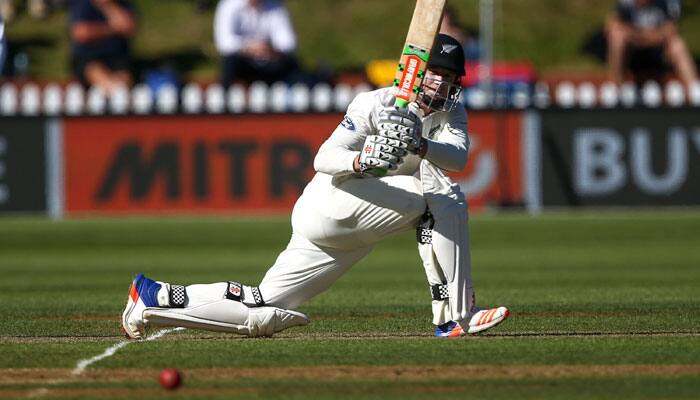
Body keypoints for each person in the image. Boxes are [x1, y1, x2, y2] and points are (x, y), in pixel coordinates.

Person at [121, 34, 509, 340]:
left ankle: (153, 298)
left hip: (354, 229)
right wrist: (362, 160)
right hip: (334, 202)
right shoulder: (376, 104)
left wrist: (418, 143)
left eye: (449, 77)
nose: (441, 83)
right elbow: (323, 158)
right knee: (440, 198)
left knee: (262, 310)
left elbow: (457, 158)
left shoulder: (452, 111)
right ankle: (454, 316)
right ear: (417, 71)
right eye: (435, 72)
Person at [606, 0, 698, 86]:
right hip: (633, 55)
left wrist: (637, 36)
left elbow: (671, 31)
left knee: (678, 45)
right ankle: (616, 88)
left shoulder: (666, 2)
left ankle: (695, 91)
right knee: (617, 38)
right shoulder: (625, 3)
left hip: (659, 53)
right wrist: (652, 35)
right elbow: (612, 27)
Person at [214, 0, 300, 87]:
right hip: (243, 62)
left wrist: (269, 50)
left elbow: (288, 42)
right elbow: (225, 43)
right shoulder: (229, 5)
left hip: (268, 60)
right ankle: (225, 94)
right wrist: (249, 48)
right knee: (230, 62)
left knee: (291, 63)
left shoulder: (275, 6)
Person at [69, 0, 136, 94]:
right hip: (89, 58)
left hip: (118, 58)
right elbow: (81, 32)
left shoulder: (121, 3)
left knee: (123, 87)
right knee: (109, 85)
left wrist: (108, 7)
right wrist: (112, 28)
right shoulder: (83, 4)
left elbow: (128, 26)